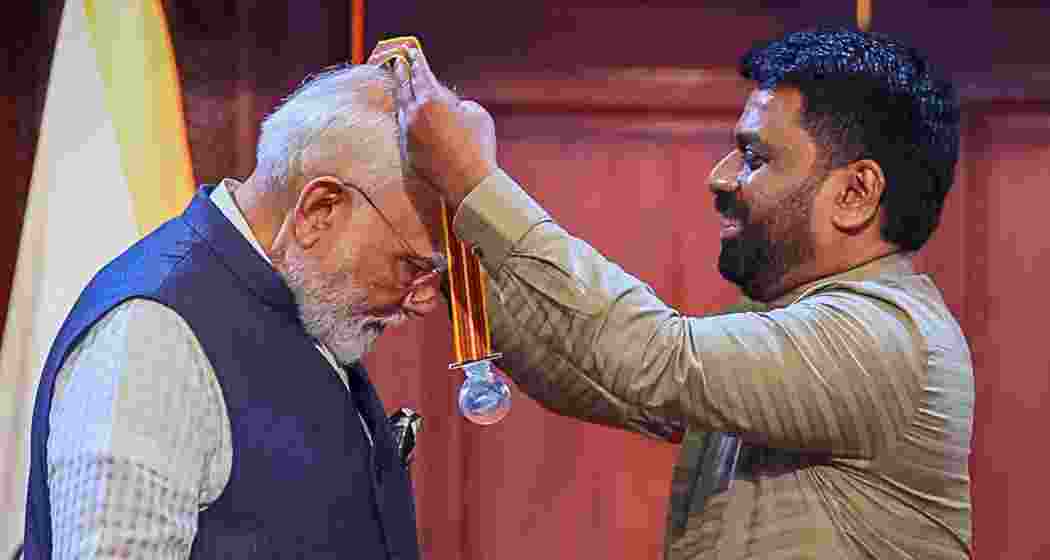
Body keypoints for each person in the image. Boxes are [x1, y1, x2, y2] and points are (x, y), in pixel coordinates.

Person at [398, 27, 974, 559]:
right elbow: (592, 374)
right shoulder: (802, 323)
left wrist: (471, 178)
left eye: (755, 157)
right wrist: (451, 249)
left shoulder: (883, 336)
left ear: (855, 193)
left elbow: (653, 356)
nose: (719, 177)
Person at [23, 63, 445, 559]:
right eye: (412, 266)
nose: (424, 301)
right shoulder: (151, 336)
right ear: (320, 211)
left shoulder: (300, 300)